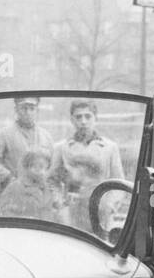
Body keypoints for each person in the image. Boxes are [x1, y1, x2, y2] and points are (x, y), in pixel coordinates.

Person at [48, 98, 123, 229]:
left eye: (88, 116)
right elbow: (52, 181)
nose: (83, 121)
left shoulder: (110, 147)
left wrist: (109, 206)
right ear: (72, 120)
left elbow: (118, 183)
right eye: (78, 117)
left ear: (96, 118)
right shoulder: (61, 147)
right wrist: (59, 204)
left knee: (99, 247)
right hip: (71, 213)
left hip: (100, 211)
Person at [0, 95, 53, 185]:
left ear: (37, 111)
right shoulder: (2, 135)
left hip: (39, 191)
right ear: (16, 109)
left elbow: (51, 165)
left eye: (32, 108)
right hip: (12, 190)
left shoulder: (46, 136)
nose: (28, 112)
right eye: (24, 108)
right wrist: (9, 178)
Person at [0, 147, 57, 223]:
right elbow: (5, 212)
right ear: (27, 166)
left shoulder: (47, 189)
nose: (42, 172)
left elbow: (49, 212)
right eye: (37, 167)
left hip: (43, 231)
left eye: (45, 168)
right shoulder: (14, 187)